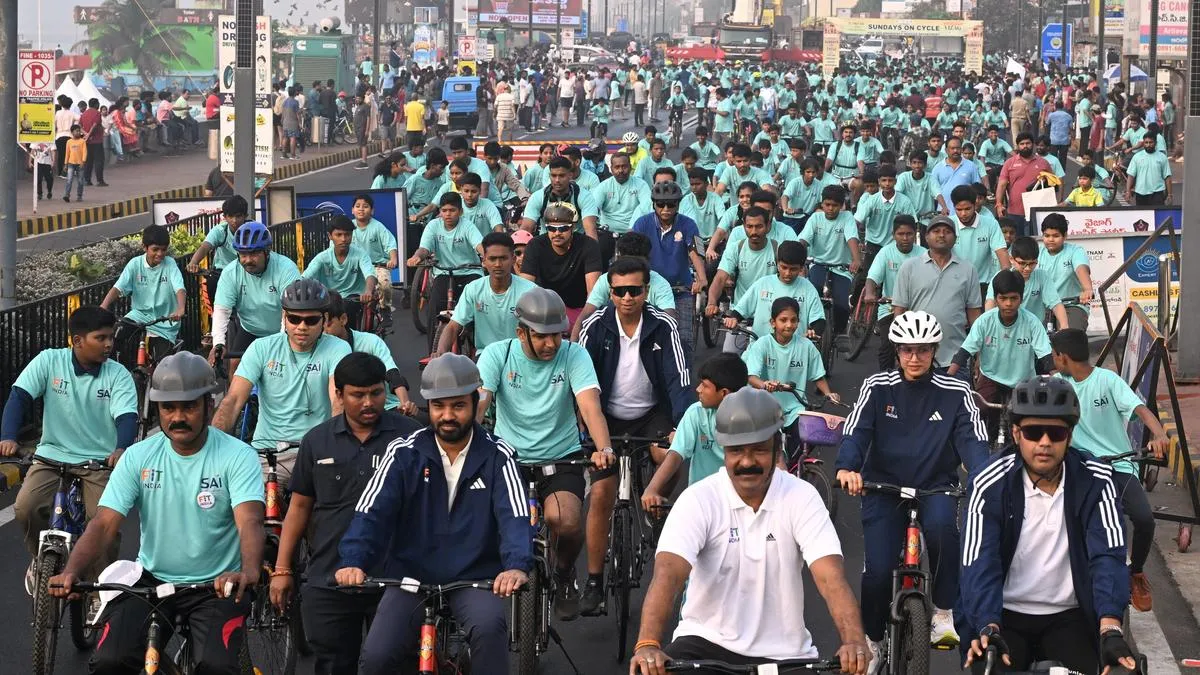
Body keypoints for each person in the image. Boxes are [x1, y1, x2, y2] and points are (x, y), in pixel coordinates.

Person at [48, 352, 264, 675]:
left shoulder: (238, 456)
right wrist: (72, 571)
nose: (178, 416)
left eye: (189, 406)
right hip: (152, 581)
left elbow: (249, 521)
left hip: (216, 586)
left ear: (209, 405)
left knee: (217, 667)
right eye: (168, 407)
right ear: (158, 411)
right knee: (109, 662)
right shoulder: (138, 457)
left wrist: (247, 571)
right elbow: (104, 524)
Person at [631, 387, 869, 675]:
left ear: (776, 448)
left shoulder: (802, 497)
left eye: (758, 449)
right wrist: (647, 643)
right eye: (736, 451)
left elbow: (831, 579)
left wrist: (853, 641)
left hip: (786, 654)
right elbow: (668, 574)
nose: (746, 462)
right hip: (704, 644)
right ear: (724, 451)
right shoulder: (698, 499)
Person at [335, 354, 532, 675]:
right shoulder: (403, 453)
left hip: (475, 579)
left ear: (474, 402)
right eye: (439, 406)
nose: (448, 415)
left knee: (489, 632)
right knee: (375, 658)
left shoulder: (499, 456)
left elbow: (515, 516)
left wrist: (515, 566)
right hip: (410, 577)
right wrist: (353, 561)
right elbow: (371, 512)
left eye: (458, 405)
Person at [835, 311, 991, 663]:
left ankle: (944, 613)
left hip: (936, 487)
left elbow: (973, 440)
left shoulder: (956, 391)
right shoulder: (877, 387)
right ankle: (873, 640)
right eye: (907, 350)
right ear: (897, 350)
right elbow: (857, 433)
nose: (915, 358)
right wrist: (847, 467)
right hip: (882, 487)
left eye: (923, 350)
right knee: (876, 572)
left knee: (942, 531)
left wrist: (983, 474)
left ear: (935, 350)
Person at [957, 376, 1139, 675]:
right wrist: (987, 623)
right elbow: (979, 561)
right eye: (1033, 431)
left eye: (1055, 432)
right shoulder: (989, 482)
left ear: (1069, 435)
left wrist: (1110, 627)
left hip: (1070, 617)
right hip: (1003, 617)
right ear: (1016, 434)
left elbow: (1108, 556)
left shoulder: (1097, 481)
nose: (1044, 442)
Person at [269, 352, 420, 673]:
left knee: (396, 664)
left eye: (376, 393)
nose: (369, 402)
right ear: (338, 394)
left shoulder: (410, 437)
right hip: (329, 581)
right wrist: (282, 570)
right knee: (334, 665)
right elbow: (298, 508)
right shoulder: (317, 441)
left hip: (397, 581)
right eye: (358, 394)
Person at [476, 288, 614, 620]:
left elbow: (589, 406)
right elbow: (480, 403)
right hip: (509, 460)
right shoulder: (498, 354)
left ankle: (565, 573)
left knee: (564, 522)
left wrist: (603, 448)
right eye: (541, 337)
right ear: (520, 331)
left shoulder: (574, 355)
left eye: (557, 335)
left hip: (561, 456)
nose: (552, 344)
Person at [576, 256, 695, 615]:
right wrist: (590, 435)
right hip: (606, 418)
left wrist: (678, 428)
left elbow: (680, 381)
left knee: (668, 457)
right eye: (619, 291)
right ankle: (594, 581)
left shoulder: (664, 327)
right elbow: (581, 386)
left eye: (635, 290)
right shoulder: (593, 328)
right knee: (601, 493)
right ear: (610, 292)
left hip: (651, 415)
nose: (627, 298)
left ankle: (656, 508)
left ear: (647, 291)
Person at [2, 306, 137, 592]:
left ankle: (99, 589)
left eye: (110, 337)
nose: (109, 344)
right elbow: (19, 396)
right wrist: (9, 436)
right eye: (100, 338)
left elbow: (126, 417)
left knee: (105, 526)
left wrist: (121, 448)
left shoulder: (118, 375)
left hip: (97, 463)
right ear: (77, 341)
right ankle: (40, 559)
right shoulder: (49, 361)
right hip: (51, 455)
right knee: (25, 507)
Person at [1051, 328, 1170, 612]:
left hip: (1118, 465)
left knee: (1144, 519)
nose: (1053, 360)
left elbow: (1141, 409)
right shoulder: (1056, 385)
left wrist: (1159, 434)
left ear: (1064, 357)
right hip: (1081, 469)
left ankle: (1136, 572)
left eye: (1055, 355)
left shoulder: (1107, 380)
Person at [213, 279, 352, 465]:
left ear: (324, 320)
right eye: (294, 319)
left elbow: (338, 401)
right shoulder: (261, 348)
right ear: (284, 317)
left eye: (311, 320)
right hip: (268, 452)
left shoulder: (338, 348)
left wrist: (335, 445)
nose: (302, 327)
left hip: (316, 452)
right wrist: (211, 447)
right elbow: (234, 399)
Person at [949, 270, 1054, 441]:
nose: (1008, 304)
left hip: (1023, 380)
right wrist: (948, 378)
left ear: (1021, 298)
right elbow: (964, 352)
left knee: (1025, 424)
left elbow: (1046, 357)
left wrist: (1058, 379)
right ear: (995, 298)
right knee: (978, 411)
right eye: (1003, 299)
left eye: (1013, 298)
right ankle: (980, 449)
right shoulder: (984, 321)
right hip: (991, 377)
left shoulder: (1032, 322)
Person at [641, 354, 749, 509]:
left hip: (740, 500)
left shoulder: (754, 419)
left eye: (705, 386)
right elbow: (675, 455)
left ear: (724, 393)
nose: (698, 389)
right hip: (701, 501)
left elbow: (775, 461)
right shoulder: (696, 412)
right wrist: (652, 489)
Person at [742, 297, 841, 454]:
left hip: (795, 408)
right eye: (783, 320)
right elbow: (751, 376)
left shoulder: (807, 346)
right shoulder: (762, 344)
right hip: (766, 407)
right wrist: (764, 384)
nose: (789, 325)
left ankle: (794, 470)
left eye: (793, 320)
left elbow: (818, 377)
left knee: (809, 439)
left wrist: (829, 394)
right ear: (773, 322)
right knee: (769, 450)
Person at [210, 221, 301, 378]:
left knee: (282, 371)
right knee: (235, 366)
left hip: (281, 330)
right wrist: (218, 344)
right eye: (243, 255)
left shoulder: (286, 268)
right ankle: (236, 402)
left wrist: (281, 342)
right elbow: (221, 311)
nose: (247, 260)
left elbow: (290, 310)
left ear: (267, 251)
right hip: (250, 329)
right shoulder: (231, 273)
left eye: (253, 254)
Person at [890, 215, 982, 368]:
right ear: (926, 236)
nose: (941, 235)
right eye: (936, 231)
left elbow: (974, 314)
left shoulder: (968, 269)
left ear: (955, 237)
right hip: (916, 358)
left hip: (956, 359)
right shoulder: (909, 267)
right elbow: (899, 311)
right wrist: (899, 350)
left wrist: (979, 353)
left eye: (947, 231)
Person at [436, 231, 537, 355]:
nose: (498, 264)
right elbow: (453, 326)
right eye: (492, 259)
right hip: (486, 356)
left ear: (513, 259)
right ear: (484, 261)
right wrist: (439, 353)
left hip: (521, 355)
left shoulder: (531, 291)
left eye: (503, 258)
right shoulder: (473, 289)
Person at [632, 181, 707, 343]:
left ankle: (685, 369)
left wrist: (702, 278)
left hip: (680, 291)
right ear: (653, 204)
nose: (666, 209)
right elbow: (632, 255)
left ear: (678, 205)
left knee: (683, 339)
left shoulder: (688, 224)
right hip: (649, 291)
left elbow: (695, 253)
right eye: (661, 204)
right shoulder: (642, 224)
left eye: (671, 204)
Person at [100, 224, 186, 365]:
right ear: (144, 247)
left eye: (163, 250)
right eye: (155, 249)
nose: (160, 254)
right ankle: (121, 373)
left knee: (163, 365)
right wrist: (104, 305)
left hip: (164, 321)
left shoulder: (170, 264)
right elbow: (118, 287)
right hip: (139, 315)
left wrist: (180, 309)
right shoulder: (135, 264)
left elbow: (180, 289)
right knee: (115, 336)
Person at [323, 292, 417, 415]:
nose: (324, 332)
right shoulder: (319, 349)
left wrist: (405, 404)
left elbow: (393, 374)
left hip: (385, 408)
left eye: (329, 325)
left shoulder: (371, 341)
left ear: (343, 319)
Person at [519, 202, 603, 329]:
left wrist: (580, 325)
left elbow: (593, 295)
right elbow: (524, 288)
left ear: (573, 227)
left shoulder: (589, 246)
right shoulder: (535, 245)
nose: (557, 233)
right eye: (551, 228)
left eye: (563, 228)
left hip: (579, 309)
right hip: (544, 308)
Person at [302, 215, 378, 327]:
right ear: (330, 236)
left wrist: (368, 291)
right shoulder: (322, 258)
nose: (343, 239)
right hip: (329, 299)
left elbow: (370, 275)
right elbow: (305, 277)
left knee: (348, 314)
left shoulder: (360, 254)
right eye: (339, 235)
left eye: (347, 235)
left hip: (354, 299)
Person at [987, 235, 1069, 329]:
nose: (1027, 268)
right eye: (1022, 263)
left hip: (1034, 330)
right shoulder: (1000, 277)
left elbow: (1056, 304)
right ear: (1011, 259)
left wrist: (1064, 327)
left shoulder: (1042, 276)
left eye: (1032, 263)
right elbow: (990, 304)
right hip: (1006, 329)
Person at [949, 184, 1010, 299]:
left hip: (983, 285)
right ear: (954, 207)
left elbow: (1002, 253)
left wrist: (1007, 280)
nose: (963, 213)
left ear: (975, 205)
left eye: (967, 209)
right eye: (959, 209)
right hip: (954, 285)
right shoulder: (948, 225)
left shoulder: (990, 223)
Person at [1037, 213, 1093, 332]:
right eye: (1046, 235)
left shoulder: (1075, 251)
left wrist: (1087, 289)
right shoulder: (1037, 253)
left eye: (1056, 236)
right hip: (1043, 307)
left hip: (1071, 305)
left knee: (1071, 339)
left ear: (1065, 236)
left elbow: (1081, 268)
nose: (1050, 239)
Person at [351, 194, 401, 318]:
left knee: (385, 286)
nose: (361, 209)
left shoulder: (378, 227)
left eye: (365, 206)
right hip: (356, 267)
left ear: (372, 211)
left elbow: (390, 244)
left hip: (377, 266)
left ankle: (385, 309)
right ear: (352, 210)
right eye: (357, 206)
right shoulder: (348, 228)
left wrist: (393, 259)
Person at [994, 133, 1051, 235]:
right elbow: (1001, 185)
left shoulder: (1043, 163)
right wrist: (999, 204)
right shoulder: (1009, 163)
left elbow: (1052, 184)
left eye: (1028, 143)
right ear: (1018, 146)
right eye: (1022, 144)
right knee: (1016, 243)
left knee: (1035, 242)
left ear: (1033, 144)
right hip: (1015, 212)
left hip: (1037, 212)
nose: (1025, 146)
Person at [187, 195, 250, 282]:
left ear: (245, 216)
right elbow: (205, 247)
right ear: (224, 217)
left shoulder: (254, 230)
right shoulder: (220, 230)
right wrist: (194, 262)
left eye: (238, 216)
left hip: (247, 273)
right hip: (223, 274)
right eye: (230, 216)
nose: (234, 220)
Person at [1125, 133, 1172, 205]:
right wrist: (1128, 192)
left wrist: (1169, 194)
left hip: (1157, 193)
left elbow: (1167, 176)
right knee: (1142, 216)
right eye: (1146, 142)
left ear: (1155, 143)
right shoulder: (1137, 157)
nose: (1148, 145)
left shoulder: (1162, 157)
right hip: (1140, 193)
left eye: (1151, 142)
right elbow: (1131, 175)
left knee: (1157, 216)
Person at [62, 123, 87, 202]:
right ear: (72, 132)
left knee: (80, 181)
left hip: (80, 164)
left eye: (79, 131)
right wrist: (65, 164)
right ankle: (67, 195)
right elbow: (67, 153)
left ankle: (79, 196)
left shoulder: (82, 141)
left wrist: (83, 162)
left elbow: (85, 152)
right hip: (71, 164)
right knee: (69, 180)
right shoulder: (69, 142)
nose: (78, 133)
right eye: (76, 131)